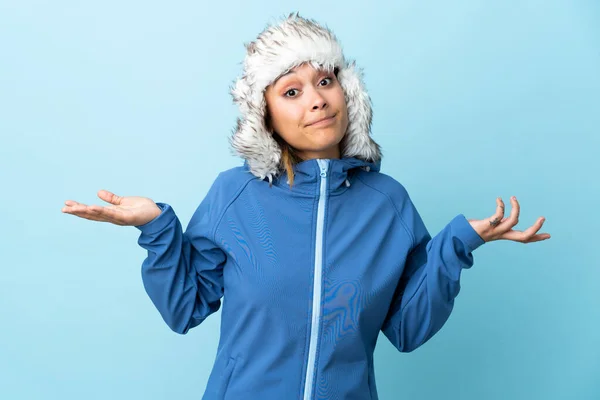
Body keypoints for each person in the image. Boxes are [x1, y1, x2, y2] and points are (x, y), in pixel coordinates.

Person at [61, 12, 551, 400]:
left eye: (325, 81)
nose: (316, 101)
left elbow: (407, 327)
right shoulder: (234, 196)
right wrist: (157, 229)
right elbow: (185, 308)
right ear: (266, 115)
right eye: (291, 91)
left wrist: (459, 244)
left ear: (348, 92)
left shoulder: (388, 204)